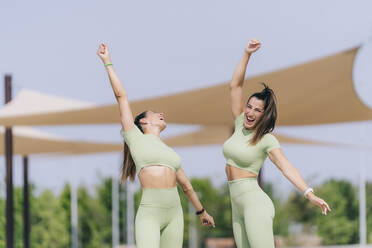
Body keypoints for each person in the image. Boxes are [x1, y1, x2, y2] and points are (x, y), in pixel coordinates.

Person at [97, 42, 215, 248]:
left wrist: (202, 211)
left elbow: (186, 186)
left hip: (175, 213)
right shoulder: (135, 138)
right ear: (143, 121)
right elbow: (121, 96)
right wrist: (107, 62)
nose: (161, 114)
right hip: (150, 212)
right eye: (154, 113)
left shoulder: (169, 153)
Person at [223, 39, 331, 248]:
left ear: (264, 115)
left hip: (255, 203)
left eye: (257, 110)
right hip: (236, 204)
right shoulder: (239, 124)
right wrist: (247, 54)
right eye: (249, 106)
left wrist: (309, 193)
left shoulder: (266, 139)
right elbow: (234, 86)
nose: (250, 112)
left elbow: (286, 166)